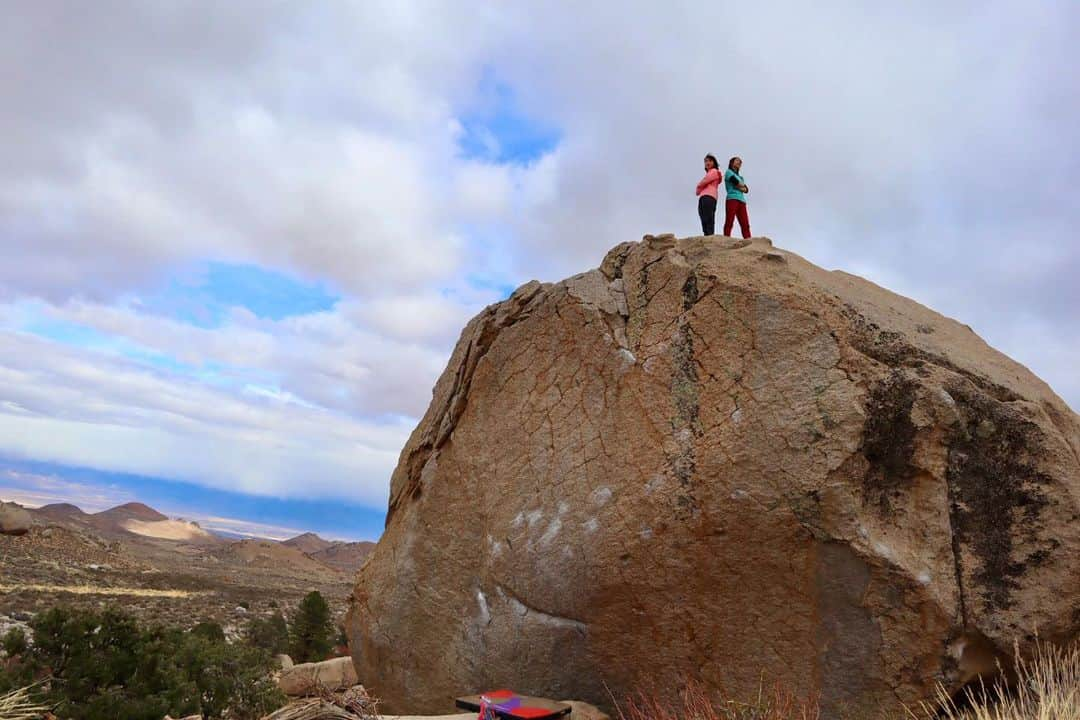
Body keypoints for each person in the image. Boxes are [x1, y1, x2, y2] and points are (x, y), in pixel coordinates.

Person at [723, 156, 751, 239]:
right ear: (732, 162)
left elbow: (746, 190)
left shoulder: (741, 177)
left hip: (742, 201)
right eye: (737, 160)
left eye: (740, 162)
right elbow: (736, 183)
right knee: (730, 221)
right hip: (732, 199)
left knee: (745, 223)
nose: (739, 162)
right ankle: (726, 239)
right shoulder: (728, 172)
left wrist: (739, 186)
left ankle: (748, 241)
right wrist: (740, 186)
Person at [695, 154, 722, 235]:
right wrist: (699, 189)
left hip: (709, 197)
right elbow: (703, 184)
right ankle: (707, 236)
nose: (707, 162)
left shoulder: (714, 171)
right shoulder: (709, 173)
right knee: (703, 217)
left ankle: (710, 236)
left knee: (708, 218)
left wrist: (698, 187)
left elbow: (705, 181)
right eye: (705, 161)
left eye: (710, 160)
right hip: (703, 197)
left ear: (714, 163)